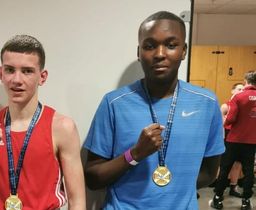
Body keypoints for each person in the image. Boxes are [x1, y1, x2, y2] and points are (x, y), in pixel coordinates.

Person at [83, 11, 225, 209]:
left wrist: (173, 191)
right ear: (139, 52)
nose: (159, 54)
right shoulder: (114, 103)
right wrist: (134, 154)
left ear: (184, 51)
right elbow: (92, 178)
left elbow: (210, 173)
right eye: (149, 46)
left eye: (171, 45)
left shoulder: (207, 103)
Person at [0, 35, 86, 210]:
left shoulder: (61, 127)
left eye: (27, 71)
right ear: (1, 73)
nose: (17, 80)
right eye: (10, 70)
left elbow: (77, 201)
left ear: (42, 77)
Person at [210, 71, 256, 210]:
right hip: (252, 141)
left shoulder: (239, 96)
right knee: (248, 172)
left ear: (245, 81)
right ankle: (246, 202)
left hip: (234, 140)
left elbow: (230, 118)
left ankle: (218, 199)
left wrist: (224, 122)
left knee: (225, 169)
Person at [221, 82, 244, 198]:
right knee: (225, 163)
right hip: (227, 135)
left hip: (240, 137)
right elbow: (219, 125)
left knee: (238, 163)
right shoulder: (226, 106)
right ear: (232, 91)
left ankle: (233, 187)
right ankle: (219, 187)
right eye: (239, 89)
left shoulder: (245, 106)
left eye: (243, 90)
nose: (241, 91)